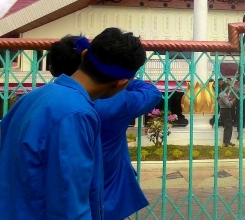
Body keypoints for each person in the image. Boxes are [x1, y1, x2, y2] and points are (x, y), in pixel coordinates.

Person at [0, 27, 146, 219]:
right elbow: (69, 202)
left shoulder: (32, 97)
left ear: (84, 55)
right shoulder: (76, 113)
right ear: (121, 82)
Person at [48, 34, 162, 220]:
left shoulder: (40, 101)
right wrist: (119, 72)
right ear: (85, 57)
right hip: (107, 198)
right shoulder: (117, 100)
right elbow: (152, 93)